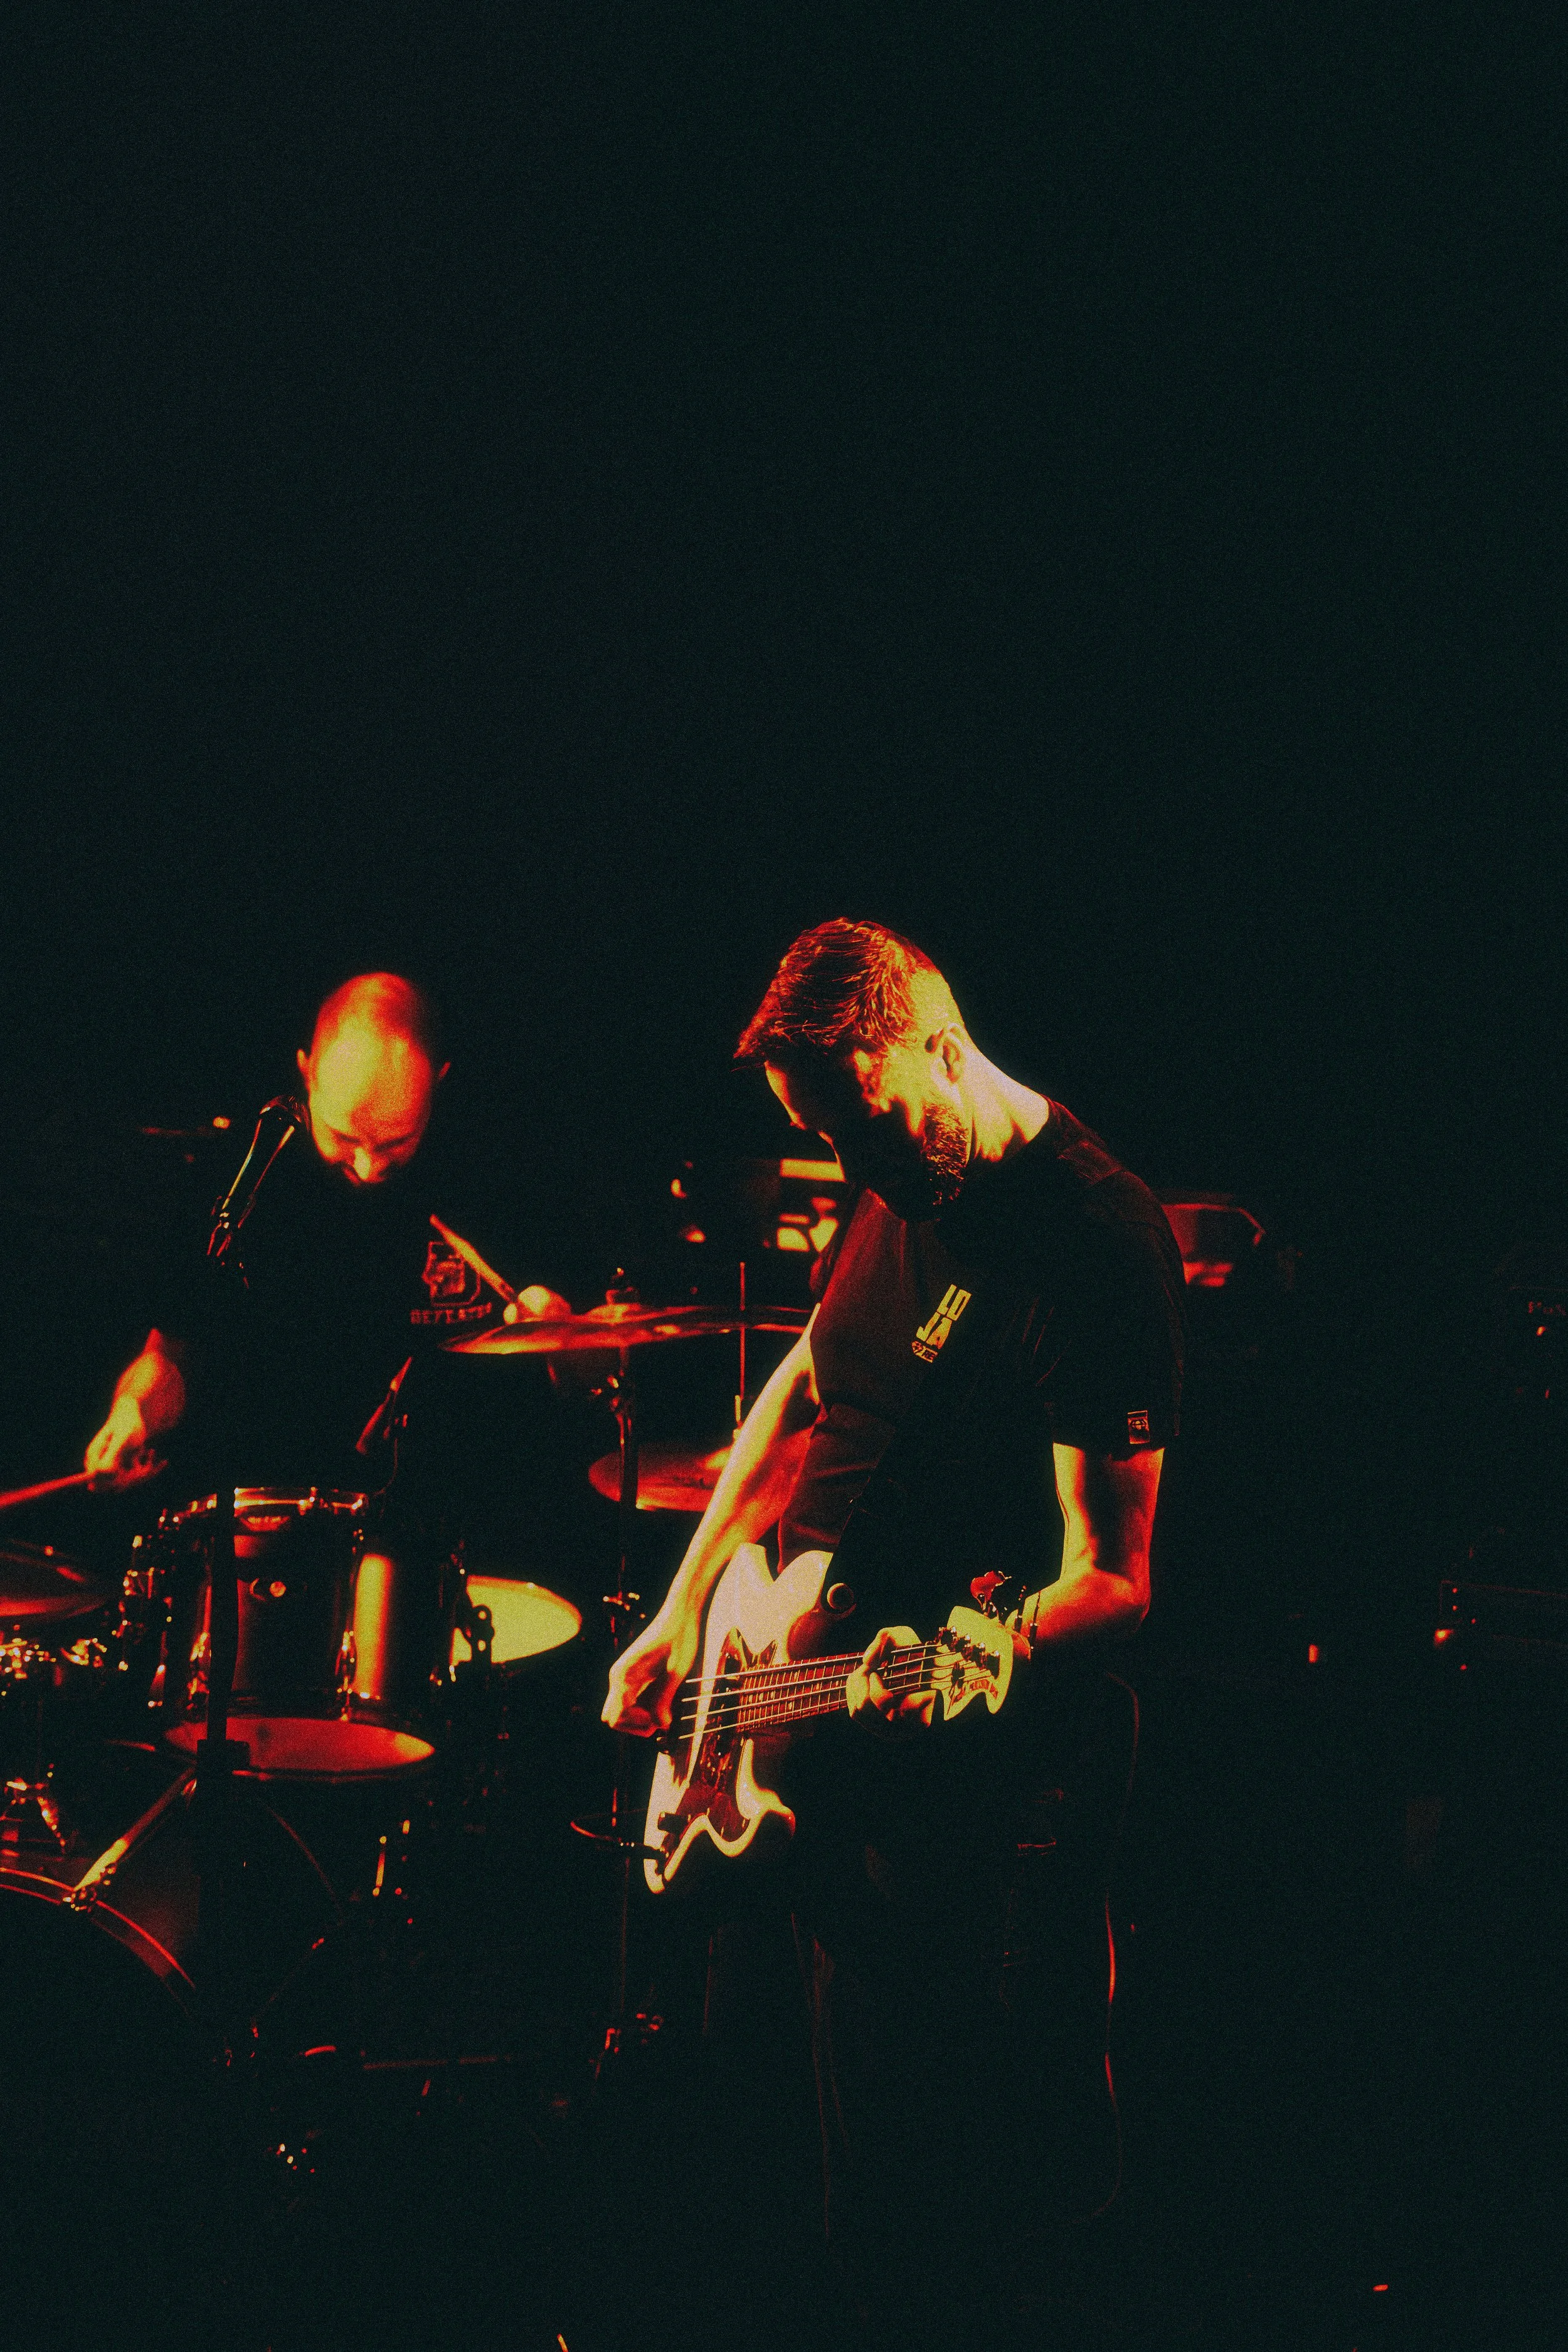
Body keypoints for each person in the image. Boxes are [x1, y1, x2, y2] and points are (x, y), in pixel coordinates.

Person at [603, 919, 1185, 2344]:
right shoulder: (891, 1174)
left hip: (962, 1789)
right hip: (790, 1713)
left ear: (937, 1039)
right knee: (759, 2139)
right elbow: (807, 1382)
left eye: (863, 1125)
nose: (859, 1167)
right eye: (827, 1139)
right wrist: (688, 1602)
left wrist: (982, 1649)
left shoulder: (1094, 1238)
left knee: (930, 2195)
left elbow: (1112, 1575)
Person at [83, 970, 565, 1498]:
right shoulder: (245, 1177)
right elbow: (173, 1352)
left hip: (459, 1502)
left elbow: (598, 1366)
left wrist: (562, 1336)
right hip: (276, 1500)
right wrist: (135, 1410)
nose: (366, 1165)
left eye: (396, 1142)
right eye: (342, 1136)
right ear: (306, 1073)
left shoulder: (499, 1178)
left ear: (439, 1081)